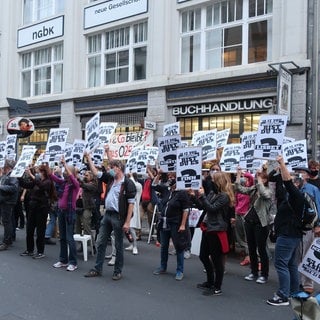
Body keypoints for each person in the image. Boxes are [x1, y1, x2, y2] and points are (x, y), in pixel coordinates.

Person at [84, 148, 136, 280]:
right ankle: (97, 268)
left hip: (118, 217)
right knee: (101, 241)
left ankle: (117, 271)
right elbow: (96, 173)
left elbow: (131, 204)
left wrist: (127, 222)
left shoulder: (128, 183)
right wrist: (88, 158)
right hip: (107, 215)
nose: (109, 169)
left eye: (111, 167)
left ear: (118, 168)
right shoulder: (111, 179)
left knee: (118, 245)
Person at [266, 155, 306, 306]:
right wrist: (279, 170)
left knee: (281, 263)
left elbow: (287, 182)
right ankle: (293, 292)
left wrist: (282, 164)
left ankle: (283, 296)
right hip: (292, 235)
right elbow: (281, 184)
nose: (288, 181)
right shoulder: (291, 197)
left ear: (297, 183)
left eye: (293, 180)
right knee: (290, 264)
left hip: (288, 235)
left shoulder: (297, 196)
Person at [193, 172, 234, 296]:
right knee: (203, 256)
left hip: (217, 230)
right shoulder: (212, 193)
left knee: (217, 260)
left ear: (219, 181)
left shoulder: (224, 196)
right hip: (208, 228)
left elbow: (212, 208)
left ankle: (217, 287)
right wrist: (195, 196)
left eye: (213, 180)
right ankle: (210, 282)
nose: (211, 182)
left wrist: (203, 197)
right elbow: (203, 207)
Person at [235, 167, 273, 284]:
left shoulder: (268, 190)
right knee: (251, 248)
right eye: (257, 176)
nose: (257, 178)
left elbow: (265, 195)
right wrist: (238, 174)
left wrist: (260, 181)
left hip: (261, 223)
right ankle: (254, 272)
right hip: (249, 221)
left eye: (260, 176)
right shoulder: (255, 188)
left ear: (265, 179)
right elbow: (240, 189)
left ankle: (264, 275)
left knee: (261, 249)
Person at [152, 171, 190, 281]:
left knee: (179, 247)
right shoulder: (167, 190)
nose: (171, 178)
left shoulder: (182, 193)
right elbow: (154, 186)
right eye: (170, 176)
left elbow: (186, 210)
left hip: (176, 223)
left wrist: (183, 224)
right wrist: (158, 174)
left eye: (173, 177)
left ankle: (179, 270)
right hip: (164, 222)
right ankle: (163, 267)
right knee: (164, 246)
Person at [292, 166, 320, 294]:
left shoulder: (313, 189)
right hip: (294, 226)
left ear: (307, 176)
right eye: (296, 173)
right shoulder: (292, 188)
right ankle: (297, 281)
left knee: (307, 254)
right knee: (296, 254)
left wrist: (318, 225)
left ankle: (307, 283)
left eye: (301, 173)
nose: (298, 175)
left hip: (308, 227)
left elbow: (318, 207)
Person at [20, 164, 56, 259]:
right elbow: (26, 185)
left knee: (40, 231)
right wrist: (19, 177)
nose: (37, 173)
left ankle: (40, 251)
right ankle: (29, 249)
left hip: (42, 208)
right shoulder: (37, 181)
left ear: (43, 172)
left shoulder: (48, 182)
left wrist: (31, 175)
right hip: (33, 207)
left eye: (39, 171)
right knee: (30, 229)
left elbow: (42, 186)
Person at [50, 158, 80, 271]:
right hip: (61, 212)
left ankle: (73, 262)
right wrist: (48, 166)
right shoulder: (64, 183)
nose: (64, 172)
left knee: (69, 238)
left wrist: (65, 165)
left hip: (69, 213)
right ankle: (63, 260)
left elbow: (72, 177)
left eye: (66, 171)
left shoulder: (75, 184)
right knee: (62, 237)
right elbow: (53, 177)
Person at [234, 171, 254, 266]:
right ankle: (246, 252)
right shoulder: (238, 191)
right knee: (240, 236)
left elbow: (251, 178)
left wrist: (242, 172)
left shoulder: (250, 189)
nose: (244, 180)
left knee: (247, 236)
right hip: (238, 214)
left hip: (246, 215)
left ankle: (248, 256)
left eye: (245, 179)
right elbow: (236, 203)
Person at [75, 170, 99, 242]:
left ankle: (92, 245)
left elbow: (84, 186)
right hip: (79, 206)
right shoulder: (84, 183)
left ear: (91, 176)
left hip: (87, 207)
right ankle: (81, 245)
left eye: (87, 175)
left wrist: (78, 178)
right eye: (84, 175)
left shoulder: (93, 184)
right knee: (77, 226)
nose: (85, 177)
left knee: (86, 226)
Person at [0, 160, 19, 251]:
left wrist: (1, 187)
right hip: (6, 201)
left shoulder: (12, 175)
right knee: (7, 221)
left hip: (8, 201)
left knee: (7, 222)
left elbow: (14, 188)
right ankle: (8, 240)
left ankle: (6, 241)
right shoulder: (8, 175)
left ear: (7, 166)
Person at [45, 165, 64, 245]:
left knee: (52, 219)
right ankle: (61, 236)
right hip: (56, 202)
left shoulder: (50, 179)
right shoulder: (59, 179)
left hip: (51, 201)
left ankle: (47, 235)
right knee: (59, 219)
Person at [125, 172, 142, 255]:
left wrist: (130, 176)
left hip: (134, 209)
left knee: (131, 228)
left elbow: (133, 186)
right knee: (127, 229)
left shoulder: (138, 185)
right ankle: (131, 244)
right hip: (126, 208)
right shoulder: (128, 185)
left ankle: (135, 246)